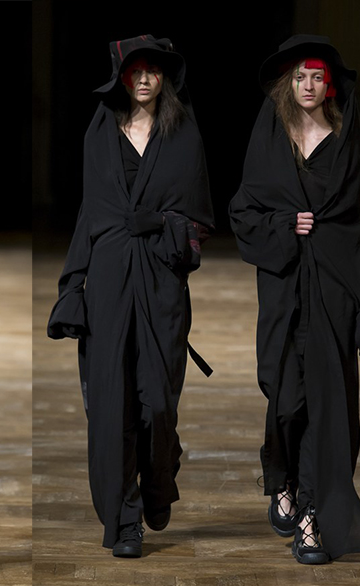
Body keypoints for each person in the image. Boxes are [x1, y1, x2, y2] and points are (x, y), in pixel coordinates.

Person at [47, 34, 214, 559]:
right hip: (109, 277)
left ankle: (159, 479)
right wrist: (72, 285)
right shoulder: (100, 131)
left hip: (162, 279)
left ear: (165, 77)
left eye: (153, 70)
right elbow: (90, 212)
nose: (144, 79)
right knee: (111, 403)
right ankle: (123, 520)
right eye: (135, 70)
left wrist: (161, 224)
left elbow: (199, 219)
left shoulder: (183, 134)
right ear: (121, 76)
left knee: (158, 403)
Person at [229, 34, 360, 565]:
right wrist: (284, 224)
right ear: (288, 83)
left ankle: (312, 519)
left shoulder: (345, 142)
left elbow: (359, 225)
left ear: (329, 85)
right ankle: (281, 476)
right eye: (300, 76)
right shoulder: (271, 136)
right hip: (283, 288)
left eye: (317, 76)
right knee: (287, 399)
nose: (308, 85)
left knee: (327, 407)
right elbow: (243, 211)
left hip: (333, 289)